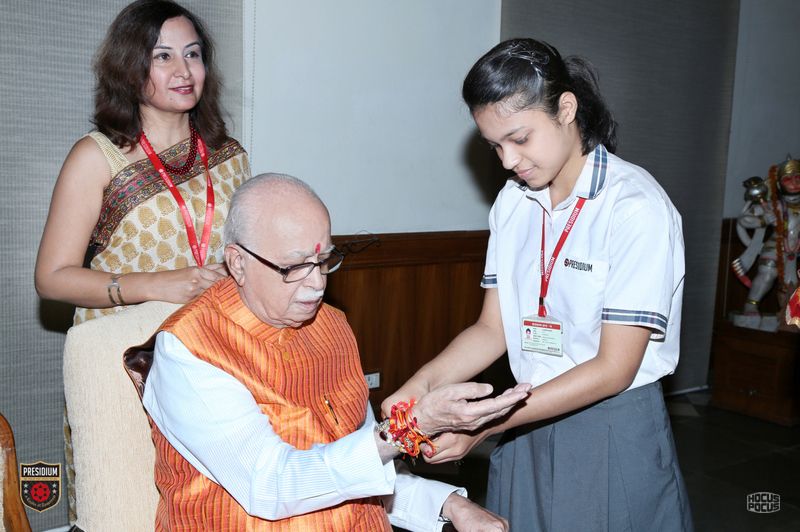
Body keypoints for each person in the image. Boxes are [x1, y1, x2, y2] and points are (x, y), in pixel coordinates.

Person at [384, 38, 693, 531]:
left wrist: (484, 423)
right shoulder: (514, 203)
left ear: (566, 109)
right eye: (495, 146)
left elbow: (614, 367)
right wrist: (420, 385)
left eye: (520, 138)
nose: (508, 161)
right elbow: (493, 328)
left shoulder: (634, 207)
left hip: (608, 423)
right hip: (526, 413)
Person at [123, 173, 529, 531]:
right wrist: (409, 427)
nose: (316, 284)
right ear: (238, 263)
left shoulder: (331, 325)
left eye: (324, 260)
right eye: (295, 267)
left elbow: (356, 464)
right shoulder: (191, 350)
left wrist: (445, 504)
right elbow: (273, 485)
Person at [33, 0, 250, 520]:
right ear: (132, 69)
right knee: (126, 505)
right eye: (163, 57)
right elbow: (52, 278)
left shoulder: (230, 154)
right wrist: (157, 284)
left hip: (213, 359)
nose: (183, 71)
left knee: (211, 506)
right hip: (121, 364)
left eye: (193, 55)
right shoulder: (97, 157)